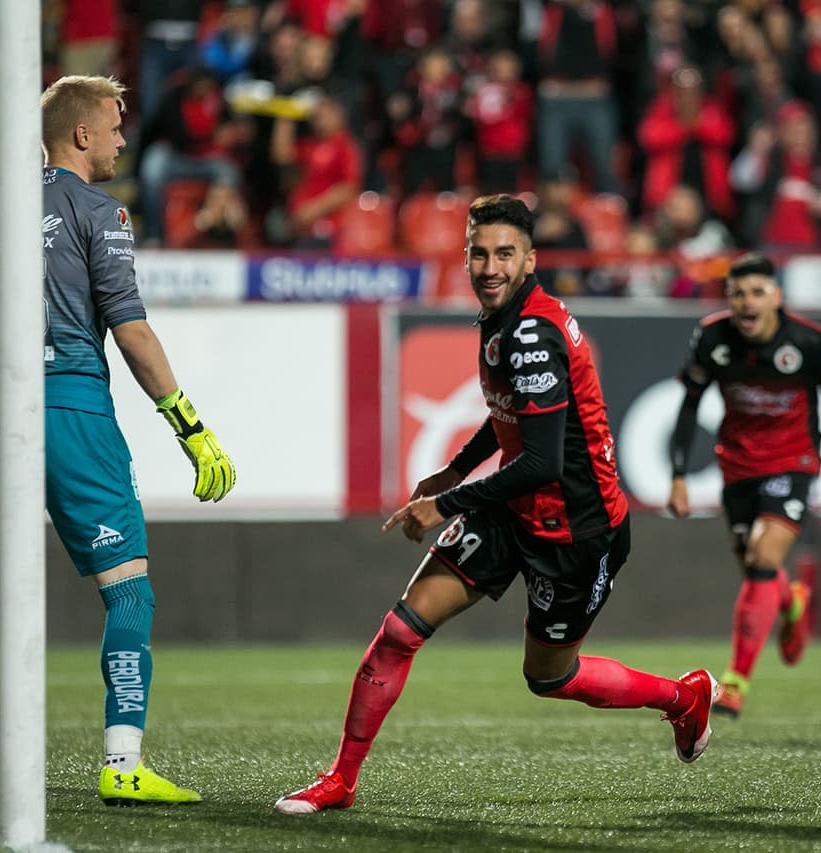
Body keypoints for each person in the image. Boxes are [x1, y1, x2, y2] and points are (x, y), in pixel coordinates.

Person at [273, 194, 714, 815]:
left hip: (576, 531)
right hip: (511, 509)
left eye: (505, 254)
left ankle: (683, 698)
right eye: (478, 254)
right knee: (399, 632)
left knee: (550, 677)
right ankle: (341, 779)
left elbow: (543, 462)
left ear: (529, 260)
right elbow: (509, 413)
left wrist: (446, 502)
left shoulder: (532, 333)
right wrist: (456, 468)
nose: (489, 267)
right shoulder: (504, 318)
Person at [0, 75, 237, 806]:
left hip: (1, 416)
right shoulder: (99, 210)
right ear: (80, 134)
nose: (121, 140)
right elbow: (132, 331)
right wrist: (191, 427)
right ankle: (122, 761)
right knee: (128, 590)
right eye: (113, 126)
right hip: (75, 409)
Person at [667, 252, 821, 718]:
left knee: (762, 557)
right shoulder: (711, 337)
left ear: (777, 296)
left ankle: (734, 683)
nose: (747, 303)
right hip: (736, 467)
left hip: (793, 462)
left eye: (757, 292)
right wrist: (678, 474)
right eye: (738, 294)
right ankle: (791, 600)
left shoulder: (810, 341)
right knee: (755, 566)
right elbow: (690, 403)